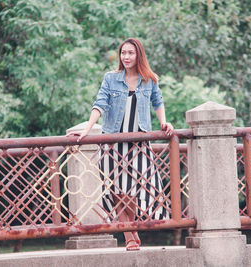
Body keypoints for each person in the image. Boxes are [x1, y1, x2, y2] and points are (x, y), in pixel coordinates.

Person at [68, 38, 173, 251]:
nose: (126, 57)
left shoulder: (149, 79)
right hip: (113, 141)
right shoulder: (111, 79)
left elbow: (158, 102)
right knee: (116, 189)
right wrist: (88, 128)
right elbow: (100, 103)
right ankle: (130, 235)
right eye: (123, 53)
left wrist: (164, 122)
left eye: (130, 53)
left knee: (132, 189)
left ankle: (131, 230)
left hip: (138, 143)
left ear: (138, 55)